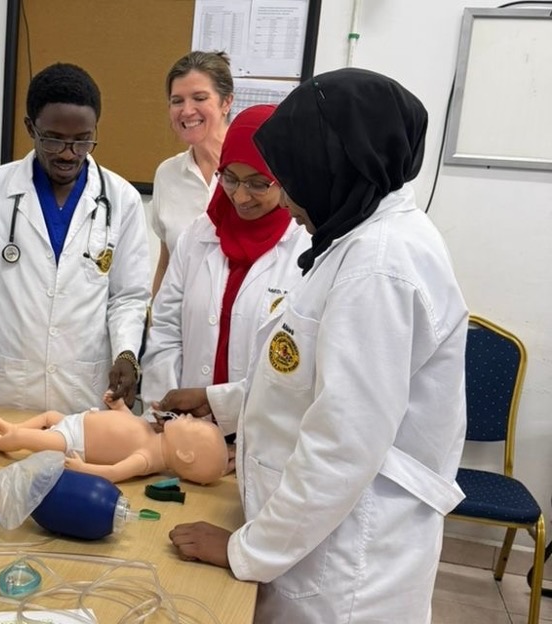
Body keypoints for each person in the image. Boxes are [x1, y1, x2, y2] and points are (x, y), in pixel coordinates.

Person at [164, 68, 469, 622]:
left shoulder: (377, 266)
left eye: (291, 176)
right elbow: (315, 376)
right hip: (320, 536)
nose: (287, 197)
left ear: (335, 166)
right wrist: (224, 401)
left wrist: (242, 550)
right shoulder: (358, 237)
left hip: (347, 566)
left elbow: (344, 442)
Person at [0, 63, 150, 427]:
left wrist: (127, 353)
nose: (69, 153)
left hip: (82, 388)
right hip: (5, 385)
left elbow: (128, 296)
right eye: (53, 139)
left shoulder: (122, 199)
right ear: (30, 129)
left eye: (82, 140)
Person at [141, 104, 310, 437]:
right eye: (230, 178)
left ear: (287, 178)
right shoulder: (198, 235)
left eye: (260, 184)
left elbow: (299, 366)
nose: (241, 196)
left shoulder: (306, 246)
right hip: (185, 432)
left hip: (263, 437)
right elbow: (165, 330)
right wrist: (162, 411)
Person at [0, 392, 227, 485]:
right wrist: (118, 406)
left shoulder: (147, 459)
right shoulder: (153, 433)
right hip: (75, 421)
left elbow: (114, 472)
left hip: (72, 442)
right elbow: (128, 423)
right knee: (49, 416)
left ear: (185, 454)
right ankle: (11, 427)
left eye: (192, 423)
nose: (187, 416)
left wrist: (84, 468)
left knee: (25, 439)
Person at [150, 51, 234, 296]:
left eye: (199, 98)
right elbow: (166, 263)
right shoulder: (168, 174)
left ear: (226, 102)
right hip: (180, 325)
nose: (187, 111)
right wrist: (154, 327)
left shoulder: (257, 172)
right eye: (177, 101)